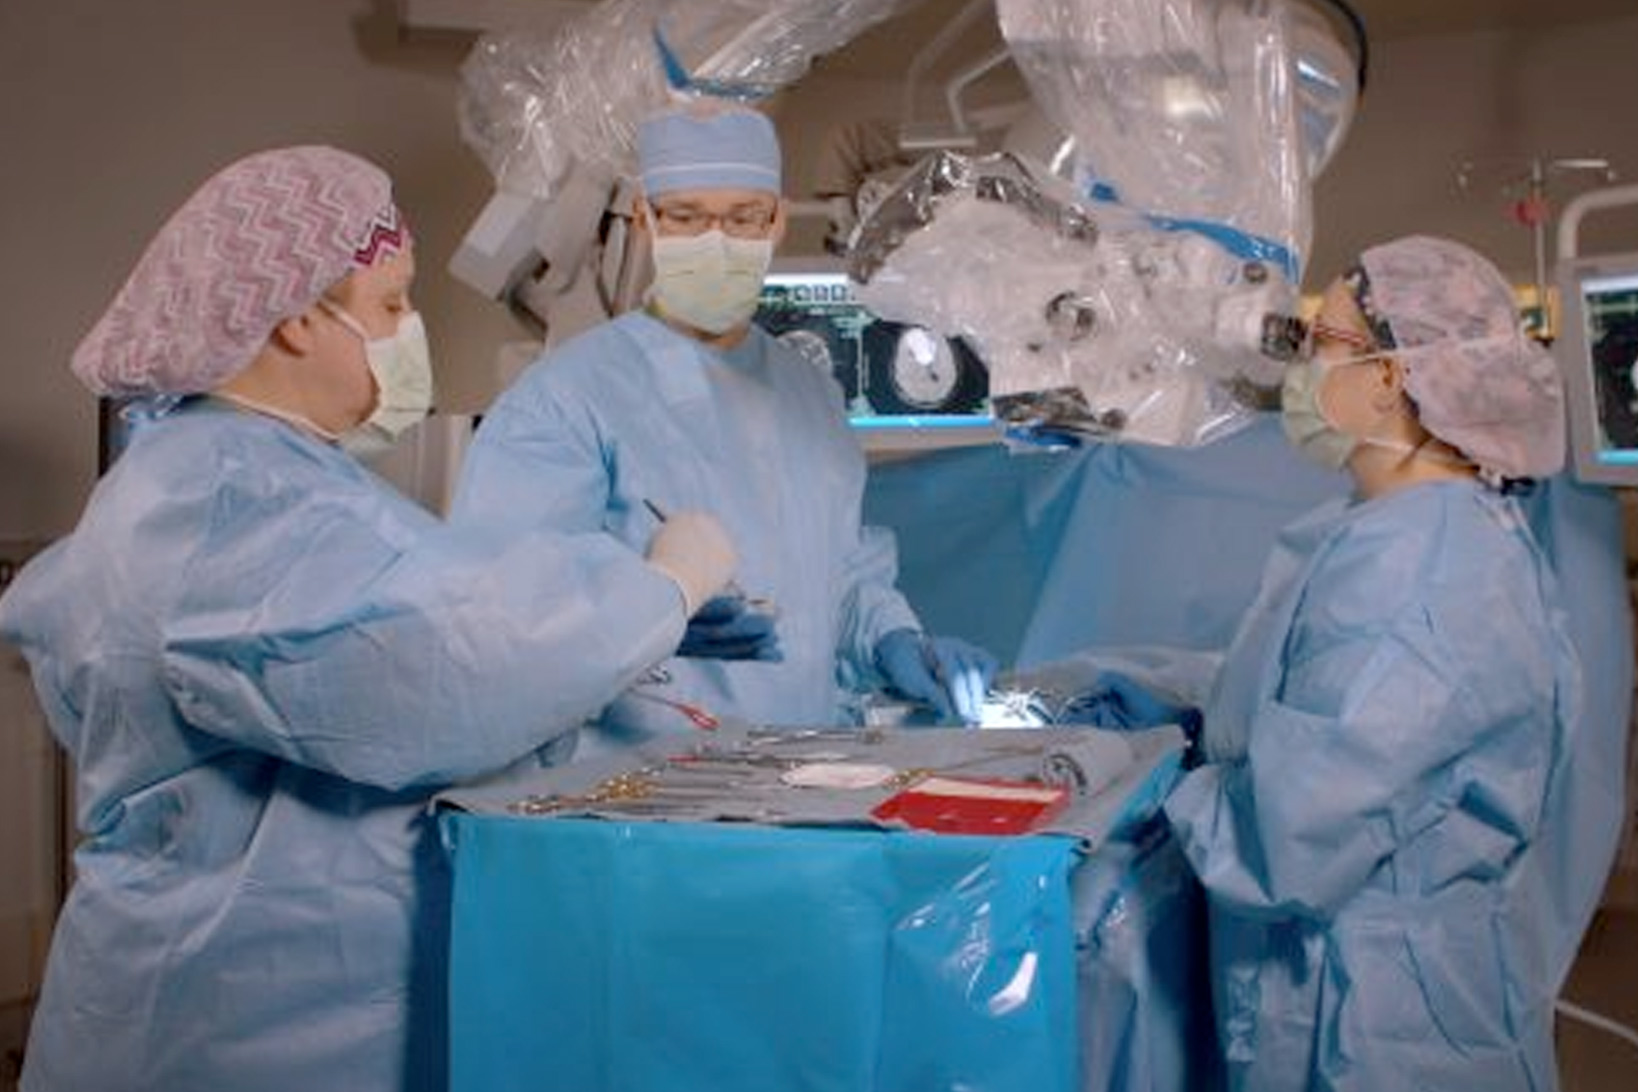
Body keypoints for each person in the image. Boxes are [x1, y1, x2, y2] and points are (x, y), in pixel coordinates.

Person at [0, 146, 743, 1092]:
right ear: (300, 317)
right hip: (246, 1026)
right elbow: (447, 668)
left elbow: (413, 608)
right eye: (391, 306)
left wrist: (621, 629)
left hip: (224, 992)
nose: (409, 331)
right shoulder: (231, 499)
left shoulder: (229, 477)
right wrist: (659, 589)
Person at [1161, 235, 1585, 1090]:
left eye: (1325, 344)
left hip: (1375, 1029)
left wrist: (1149, 783)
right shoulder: (1411, 531)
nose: (1305, 369)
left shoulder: (1420, 573)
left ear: (1393, 377)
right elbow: (1301, 696)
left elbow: (1287, 843)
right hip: (1389, 991)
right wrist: (1152, 700)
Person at [453, 103, 997, 752]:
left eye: (741, 218)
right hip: (627, 796)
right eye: (687, 217)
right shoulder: (568, 400)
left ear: (775, 222)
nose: (716, 241)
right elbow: (499, 614)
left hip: (801, 770)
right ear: (649, 222)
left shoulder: (810, 396)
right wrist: (645, 617)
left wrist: (894, 639)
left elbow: (843, 578)